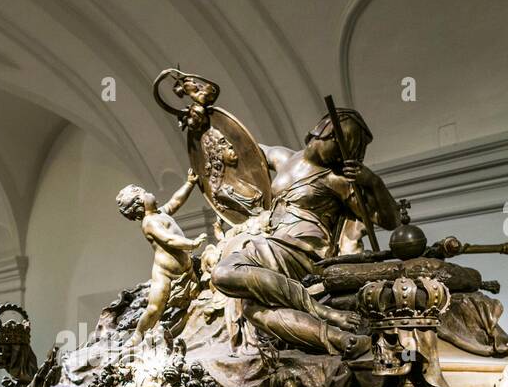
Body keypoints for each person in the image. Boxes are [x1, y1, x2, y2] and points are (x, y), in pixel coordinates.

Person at [211, 106, 400, 355]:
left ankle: (320, 310)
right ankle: (339, 338)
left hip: (300, 253)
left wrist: (373, 182)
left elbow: (390, 220)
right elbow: (246, 148)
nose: (341, 156)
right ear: (324, 130)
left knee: (224, 274)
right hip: (271, 245)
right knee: (251, 309)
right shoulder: (285, 158)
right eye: (339, 144)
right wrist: (203, 119)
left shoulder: (336, 180)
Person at [115, 168, 203, 345]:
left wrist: (189, 183)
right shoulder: (149, 223)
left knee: (197, 295)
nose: (149, 193)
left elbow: (176, 201)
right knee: (155, 308)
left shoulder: (160, 213)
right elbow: (169, 240)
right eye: (143, 193)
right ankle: (137, 335)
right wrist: (191, 244)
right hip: (165, 274)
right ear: (140, 204)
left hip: (185, 269)